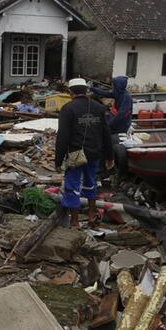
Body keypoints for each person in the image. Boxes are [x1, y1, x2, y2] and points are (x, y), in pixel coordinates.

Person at [55, 78, 114, 227]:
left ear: (70, 92)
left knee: (72, 186)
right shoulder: (98, 107)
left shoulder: (68, 109)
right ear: (86, 90)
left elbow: (63, 136)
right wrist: (109, 156)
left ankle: (74, 221)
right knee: (90, 183)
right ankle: (91, 216)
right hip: (95, 153)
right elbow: (106, 133)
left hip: (76, 155)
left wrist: (58, 160)